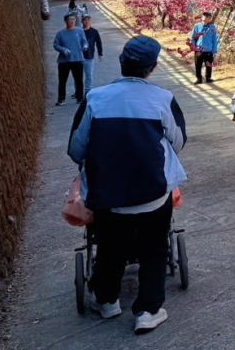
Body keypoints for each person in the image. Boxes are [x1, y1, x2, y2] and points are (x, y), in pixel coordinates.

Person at [68, 36, 187, 334]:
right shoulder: (163, 99)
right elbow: (179, 141)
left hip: (108, 196)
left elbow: (75, 149)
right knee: (155, 248)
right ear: (153, 67)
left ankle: (107, 301)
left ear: (122, 63)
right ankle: (148, 310)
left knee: (109, 247)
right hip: (153, 193)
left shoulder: (95, 98)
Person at [53, 13, 90, 105]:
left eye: (74, 19)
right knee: (62, 81)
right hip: (64, 61)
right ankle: (61, 99)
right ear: (65, 21)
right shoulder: (60, 33)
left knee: (79, 80)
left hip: (77, 59)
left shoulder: (80, 31)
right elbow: (55, 45)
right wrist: (63, 49)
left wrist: (85, 46)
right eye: (70, 20)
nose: (72, 21)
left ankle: (79, 98)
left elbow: (84, 41)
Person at [189, 12, 219, 84]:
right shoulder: (197, 26)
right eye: (204, 16)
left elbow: (215, 39)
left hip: (208, 49)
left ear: (210, 19)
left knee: (208, 64)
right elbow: (193, 37)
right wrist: (194, 46)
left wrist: (215, 50)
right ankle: (199, 78)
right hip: (198, 49)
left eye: (207, 17)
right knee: (198, 65)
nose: (204, 18)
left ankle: (208, 78)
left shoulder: (213, 27)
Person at [81, 14, 104, 93]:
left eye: (88, 20)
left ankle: (88, 91)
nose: (87, 21)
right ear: (82, 21)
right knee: (78, 76)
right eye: (85, 20)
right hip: (79, 57)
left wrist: (100, 53)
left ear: (90, 21)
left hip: (89, 57)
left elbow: (99, 43)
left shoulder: (94, 32)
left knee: (89, 75)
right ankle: (78, 91)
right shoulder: (79, 31)